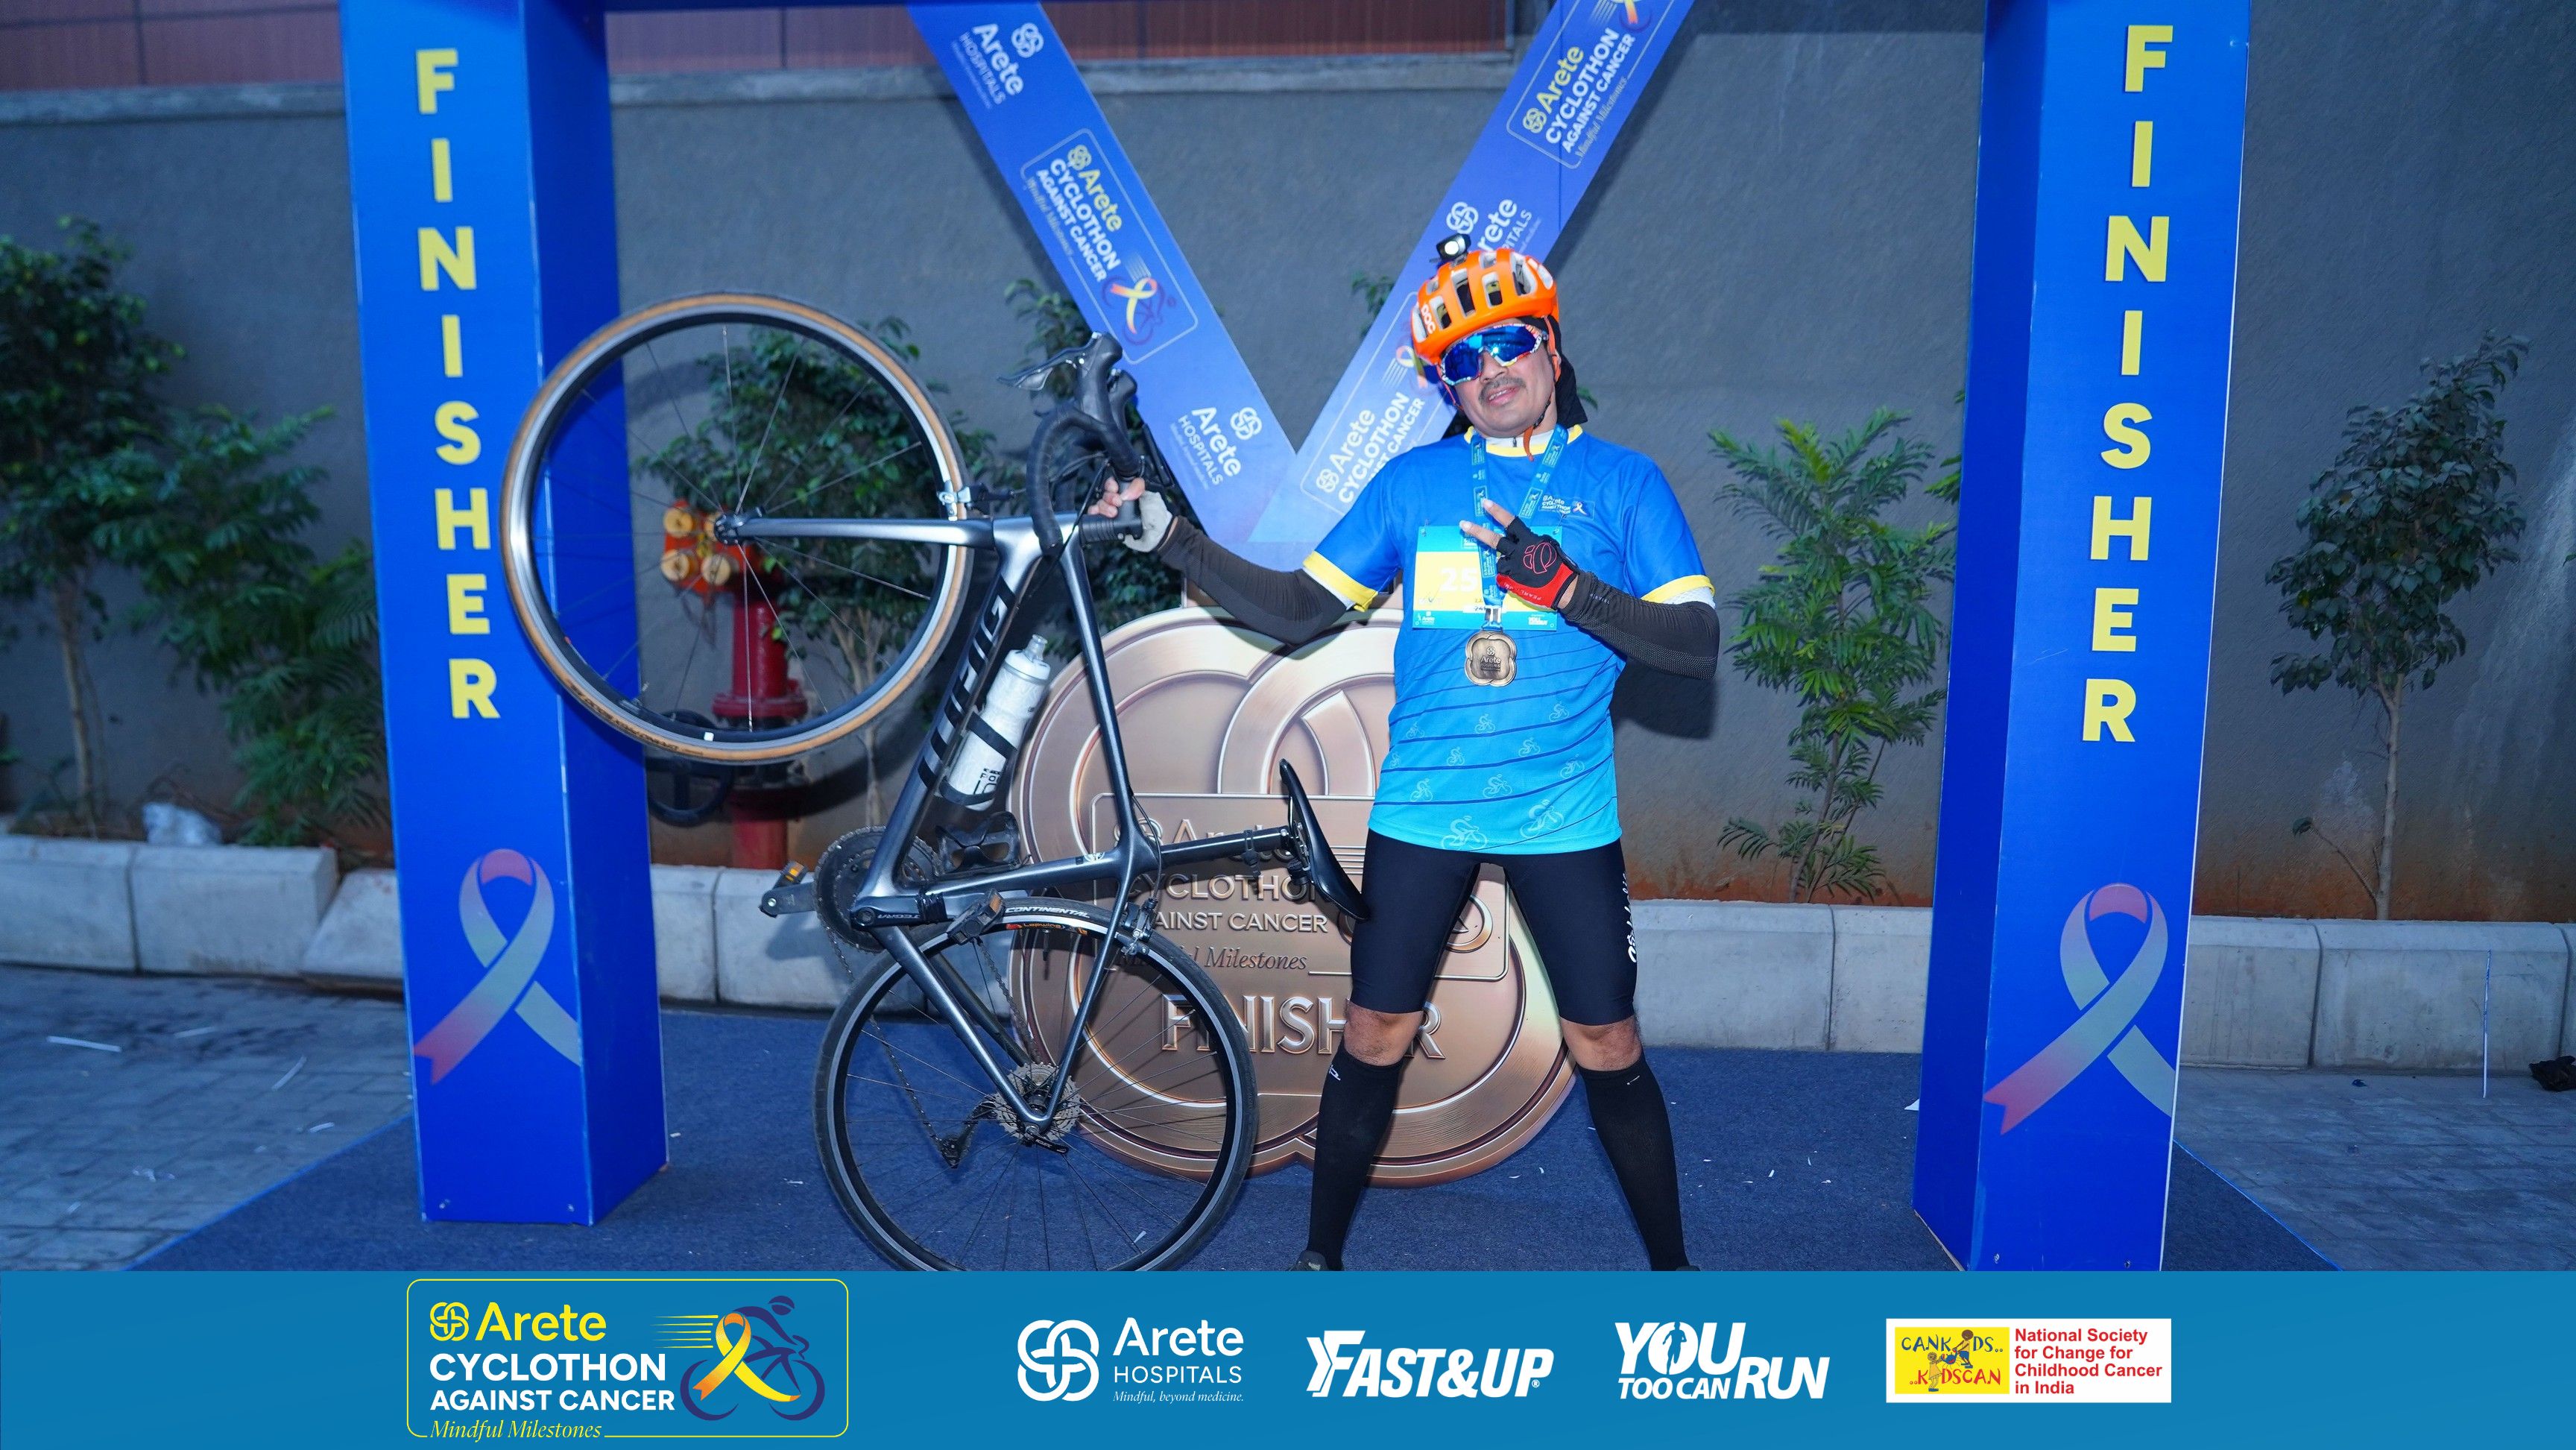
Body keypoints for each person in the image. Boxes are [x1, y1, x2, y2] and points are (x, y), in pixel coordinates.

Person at [1090, 236, 1720, 1270]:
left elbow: (1693, 645)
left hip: (1563, 811)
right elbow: (1298, 610)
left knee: (1606, 1041)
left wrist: (1565, 588)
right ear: (1447, 387)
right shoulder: (1414, 482)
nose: (1490, 371)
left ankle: (1675, 1278)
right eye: (1463, 361)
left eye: (1509, 344)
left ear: (1553, 351)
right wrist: (1173, 540)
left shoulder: (1624, 481)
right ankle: (1318, 1263)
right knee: (1375, 1031)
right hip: (1424, 808)